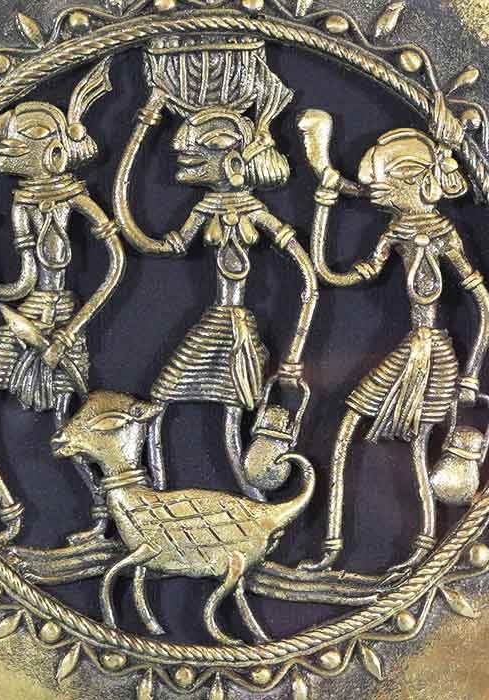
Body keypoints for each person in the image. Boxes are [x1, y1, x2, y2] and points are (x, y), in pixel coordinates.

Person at [0, 59, 125, 543]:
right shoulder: (22, 205)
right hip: (27, 317)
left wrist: (70, 331)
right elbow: (20, 285)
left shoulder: (77, 201)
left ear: (50, 153)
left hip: (65, 321)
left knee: (73, 424)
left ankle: (101, 518)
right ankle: (10, 513)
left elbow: (115, 266)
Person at [113, 70, 317, 500]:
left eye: (205, 146)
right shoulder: (205, 208)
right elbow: (158, 243)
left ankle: (255, 505)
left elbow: (308, 278)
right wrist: (141, 127)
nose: (181, 151)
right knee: (161, 402)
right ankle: (159, 498)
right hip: (214, 324)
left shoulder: (257, 213)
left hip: (238, 332)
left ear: (235, 162)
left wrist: (294, 355)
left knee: (231, 421)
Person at [300, 124, 489, 574]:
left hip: (436, 356)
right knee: (346, 428)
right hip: (411, 350)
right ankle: (332, 547)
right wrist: (324, 203)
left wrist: (472, 373)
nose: (376, 195)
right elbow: (333, 274)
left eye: (384, 186)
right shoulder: (395, 232)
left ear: (415, 182)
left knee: (418, 447)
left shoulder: (443, 235)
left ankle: (423, 549)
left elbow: (483, 303)